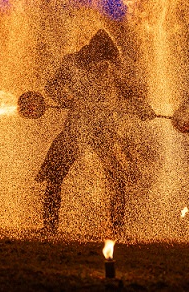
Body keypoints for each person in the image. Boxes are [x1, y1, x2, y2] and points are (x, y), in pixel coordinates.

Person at [35, 29, 156, 236]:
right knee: (55, 174)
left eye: (108, 60)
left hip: (103, 130)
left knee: (117, 177)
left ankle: (117, 228)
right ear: (92, 51)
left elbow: (131, 93)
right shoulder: (72, 62)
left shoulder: (111, 66)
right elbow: (52, 87)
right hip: (76, 127)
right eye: (102, 58)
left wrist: (142, 107)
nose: (105, 64)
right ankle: (49, 225)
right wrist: (71, 100)